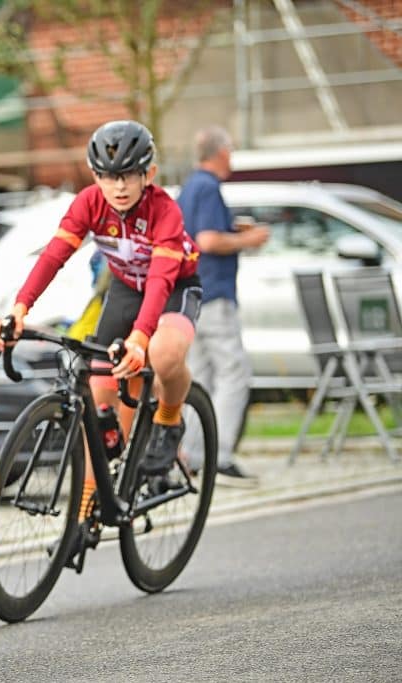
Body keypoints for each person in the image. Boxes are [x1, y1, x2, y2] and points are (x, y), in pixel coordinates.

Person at [0, 120, 202, 515]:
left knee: (164, 353)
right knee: (100, 389)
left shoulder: (165, 212)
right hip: (124, 289)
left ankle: (170, 420)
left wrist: (141, 337)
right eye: (108, 176)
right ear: (94, 177)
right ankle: (92, 497)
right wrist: (20, 309)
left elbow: (159, 280)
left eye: (128, 175)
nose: (118, 186)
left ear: (149, 175)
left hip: (174, 288)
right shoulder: (89, 203)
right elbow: (54, 256)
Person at [178, 126, 269, 486]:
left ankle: (194, 454)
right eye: (229, 149)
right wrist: (250, 238)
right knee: (234, 373)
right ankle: (222, 456)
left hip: (191, 296)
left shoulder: (189, 187)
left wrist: (234, 228)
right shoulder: (209, 187)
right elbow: (208, 239)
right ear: (221, 153)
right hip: (214, 294)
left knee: (199, 377)